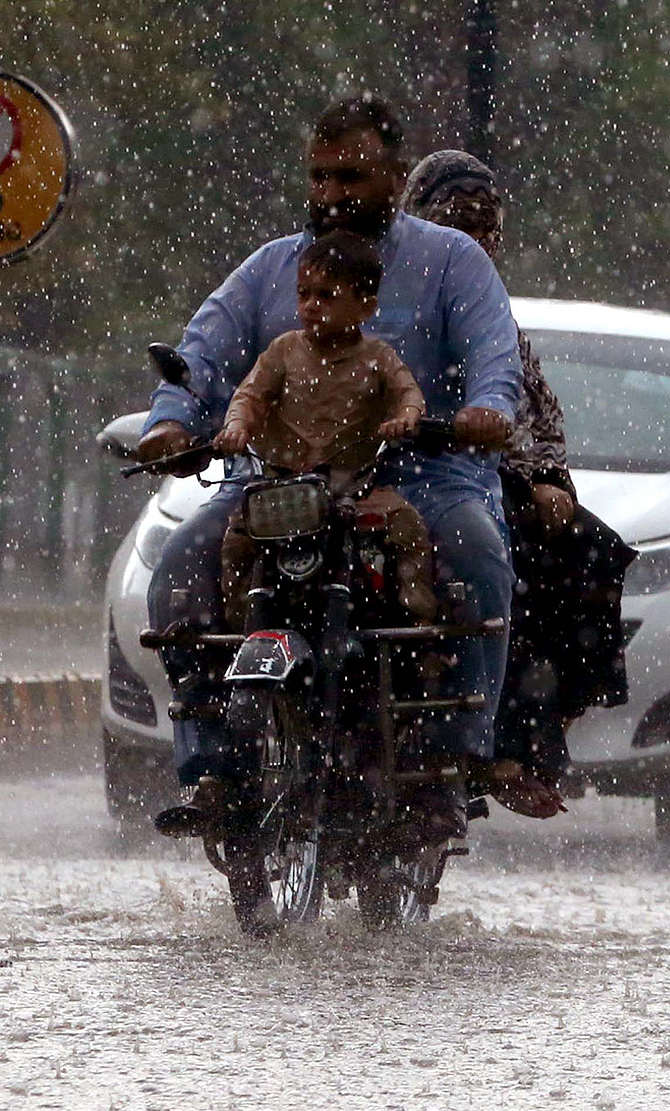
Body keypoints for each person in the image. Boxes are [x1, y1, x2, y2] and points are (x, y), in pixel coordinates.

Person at [137, 97, 522, 839]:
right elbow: (202, 359)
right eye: (321, 177)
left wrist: (484, 412)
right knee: (181, 571)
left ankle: (451, 764)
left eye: (352, 175)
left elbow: (493, 362)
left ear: (394, 176)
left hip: (421, 480)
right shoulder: (269, 271)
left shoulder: (453, 262)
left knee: (478, 558)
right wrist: (170, 425)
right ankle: (213, 769)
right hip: (283, 487)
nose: (334, 193)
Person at [400, 150, 636, 818]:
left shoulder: (490, 311)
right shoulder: (380, 297)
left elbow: (526, 404)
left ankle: (524, 741)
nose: (478, 239)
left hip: (481, 480)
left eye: (488, 226)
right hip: (414, 477)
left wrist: (546, 477)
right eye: (458, 221)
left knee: (581, 553)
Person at [215, 229, 434, 627]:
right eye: (303, 294)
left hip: (353, 493)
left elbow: (409, 394)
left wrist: (406, 419)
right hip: (282, 493)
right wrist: (236, 427)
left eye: (326, 296)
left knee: (407, 527)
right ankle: (237, 629)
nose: (310, 305)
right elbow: (248, 396)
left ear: (365, 308)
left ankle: (417, 625)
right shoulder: (283, 350)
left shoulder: (377, 356)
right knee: (237, 541)